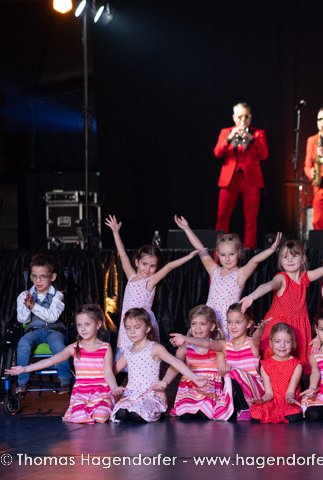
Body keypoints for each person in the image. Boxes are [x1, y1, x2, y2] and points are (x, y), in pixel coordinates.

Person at [239, 239, 323, 374]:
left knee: (298, 369)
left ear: (303, 259)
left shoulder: (304, 278)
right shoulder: (282, 278)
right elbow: (268, 285)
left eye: (294, 256)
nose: (290, 260)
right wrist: (252, 296)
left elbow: (322, 270)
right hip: (281, 328)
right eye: (285, 257)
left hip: (299, 329)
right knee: (277, 366)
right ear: (280, 261)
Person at [105, 215, 201, 361]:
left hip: (142, 324)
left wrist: (189, 256)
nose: (147, 269)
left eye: (152, 266)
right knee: (126, 356)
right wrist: (115, 232)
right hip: (128, 323)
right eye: (144, 264)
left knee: (144, 355)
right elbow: (123, 255)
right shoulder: (131, 277)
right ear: (137, 262)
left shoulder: (150, 282)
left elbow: (169, 266)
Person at [7, 304, 124, 424]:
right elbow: (51, 360)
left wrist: (114, 387)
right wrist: (25, 369)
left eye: (87, 324)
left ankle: (98, 409)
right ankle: (86, 410)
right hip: (82, 392)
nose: (83, 329)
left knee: (101, 416)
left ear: (98, 324)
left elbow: (108, 372)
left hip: (101, 391)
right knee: (79, 416)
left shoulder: (105, 347)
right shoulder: (74, 347)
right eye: (79, 325)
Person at [174, 215, 281, 337]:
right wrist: (187, 228)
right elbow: (201, 249)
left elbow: (254, 261)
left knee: (224, 346)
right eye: (223, 255)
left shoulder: (240, 274)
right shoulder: (214, 270)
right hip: (210, 317)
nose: (227, 259)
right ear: (217, 254)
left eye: (231, 254)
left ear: (239, 253)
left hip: (228, 320)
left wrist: (271, 249)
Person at [170, 304, 265, 421]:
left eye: (238, 322)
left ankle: (245, 409)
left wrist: (259, 331)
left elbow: (256, 338)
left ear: (249, 324)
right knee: (219, 413)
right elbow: (207, 343)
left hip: (254, 390)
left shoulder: (251, 343)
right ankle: (237, 408)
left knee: (233, 371)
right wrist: (186, 339)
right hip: (235, 392)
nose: (233, 326)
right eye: (229, 322)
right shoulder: (224, 345)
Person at [112, 308, 205, 423]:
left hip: (150, 394)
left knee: (137, 415)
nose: (132, 332)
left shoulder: (154, 348)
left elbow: (175, 362)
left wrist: (194, 377)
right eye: (128, 328)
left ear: (147, 328)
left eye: (137, 327)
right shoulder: (127, 352)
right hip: (131, 394)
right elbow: (112, 371)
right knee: (121, 414)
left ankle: (155, 411)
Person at [14, 253, 72, 394]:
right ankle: (22, 381)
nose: (38, 280)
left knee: (59, 345)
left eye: (42, 276)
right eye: (35, 276)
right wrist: (27, 307)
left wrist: (34, 306)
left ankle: (65, 379)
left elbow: (52, 317)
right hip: (33, 331)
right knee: (23, 344)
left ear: (52, 277)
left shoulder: (57, 296)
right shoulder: (24, 295)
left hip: (54, 331)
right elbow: (22, 320)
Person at [213, 102, 269, 249]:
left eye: (246, 116)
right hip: (230, 179)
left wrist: (251, 138)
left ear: (250, 117)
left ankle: (249, 250)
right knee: (222, 216)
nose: (243, 120)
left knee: (251, 219)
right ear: (234, 117)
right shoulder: (226, 132)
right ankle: (220, 250)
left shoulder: (258, 133)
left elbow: (264, 154)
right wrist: (229, 138)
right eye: (239, 117)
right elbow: (217, 152)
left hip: (250, 179)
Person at [165, 306, 234, 421]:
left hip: (210, 389)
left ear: (212, 326)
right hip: (190, 389)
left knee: (205, 415)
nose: (197, 327)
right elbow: (175, 366)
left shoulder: (216, 347)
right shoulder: (184, 349)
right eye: (194, 323)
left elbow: (221, 370)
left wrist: (224, 370)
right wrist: (165, 381)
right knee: (186, 416)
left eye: (202, 324)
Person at [249, 323, 304, 424]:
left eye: (287, 342)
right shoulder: (265, 365)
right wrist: (262, 399)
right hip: (273, 400)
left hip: (288, 399)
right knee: (256, 414)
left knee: (292, 415)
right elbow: (269, 393)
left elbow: (290, 391)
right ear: (271, 343)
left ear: (293, 343)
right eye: (277, 341)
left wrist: (289, 399)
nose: (282, 346)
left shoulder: (296, 365)